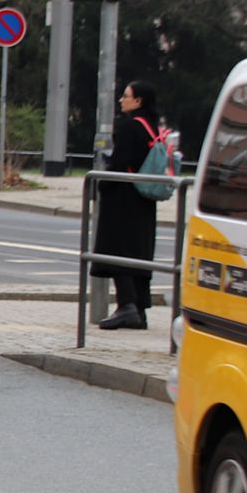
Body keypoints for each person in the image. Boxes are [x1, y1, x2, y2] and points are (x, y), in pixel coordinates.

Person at [93, 80, 162, 331]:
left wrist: (103, 185)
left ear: (138, 101)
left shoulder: (129, 127)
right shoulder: (152, 127)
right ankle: (140, 310)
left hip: (123, 199)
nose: (122, 100)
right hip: (144, 200)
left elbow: (121, 162)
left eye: (126, 96)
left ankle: (126, 306)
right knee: (139, 254)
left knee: (117, 250)